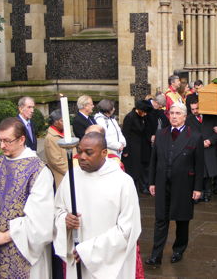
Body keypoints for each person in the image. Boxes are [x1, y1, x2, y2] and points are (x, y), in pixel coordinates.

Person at [54, 132, 141, 278]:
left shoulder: (123, 182)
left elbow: (128, 229)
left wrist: (89, 251)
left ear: (104, 153)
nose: (82, 157)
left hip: (111, 262)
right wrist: (65, 220)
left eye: (89, 153)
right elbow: (58, 210)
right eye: (79, 151)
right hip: (77, 258)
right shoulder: (71, 177)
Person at [0, 117, 54, 278]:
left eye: (7, 141)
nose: (2, 146)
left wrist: (6, 236)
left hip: (24, 246)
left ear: (21, 139)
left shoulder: (38, 170)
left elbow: (41, 219)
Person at [146, 103, 203, 265]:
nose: (174, 116)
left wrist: (198, 187)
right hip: (162, 182)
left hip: (184, 184)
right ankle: (156, 254)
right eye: (171, 113)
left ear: (185, 116)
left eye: (178, 113)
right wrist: (151, 182)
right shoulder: (160, 134)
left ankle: (178, 250)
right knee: (160, 219)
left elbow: (199, 164)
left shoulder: (195, 136)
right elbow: (154, 161)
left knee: (182, 220)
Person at [186, 101, 217, 202]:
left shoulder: (210, 116)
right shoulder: (189, 119)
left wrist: (210, 141)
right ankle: (199, 193)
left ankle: (208, 192)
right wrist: (200, 143)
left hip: (210, 148)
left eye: (197, 108)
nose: (195, 111)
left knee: (209, 171)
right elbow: (188, 135)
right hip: (197, 149)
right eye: (192, 109)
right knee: (200, 172)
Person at [122, 100, 153, 194]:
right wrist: (125, 150)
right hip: (131, 147)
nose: (145, 114)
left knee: (139, 168)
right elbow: (125, 134)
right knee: (133, 169)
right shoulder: (130, 117)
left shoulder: (142, 117)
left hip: (140, 146)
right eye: (143, 112)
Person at [44, 110, 68, 188]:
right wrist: (71, 171)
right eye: (62, 120)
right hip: (61, 176)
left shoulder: (66, 132)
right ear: (55, 122)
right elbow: (56, 161)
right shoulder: (51, 138)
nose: (65, 122)